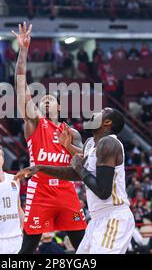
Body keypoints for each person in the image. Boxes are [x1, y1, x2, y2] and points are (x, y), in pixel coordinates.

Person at [16, 107, 135, 254]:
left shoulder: (109, 144)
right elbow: (76, 172)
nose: (93, 113)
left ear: (107, 122)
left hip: (114, 217)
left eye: (101, 112)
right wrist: (41, 168)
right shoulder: (91, 144)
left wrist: (79, 168)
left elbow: (103, 191)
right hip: (97, 219)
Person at [12, 22, 87, 254]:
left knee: (83, 246)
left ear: (59, 105)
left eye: (50, 98)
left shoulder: (71, 132)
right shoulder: (35, 123)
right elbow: (21, 85)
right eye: (42, 98)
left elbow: (85, 160)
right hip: (40, 190)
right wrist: (23, 52)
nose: (45, 100)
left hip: (66, 190)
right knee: (28, 247)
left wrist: (69, 146)